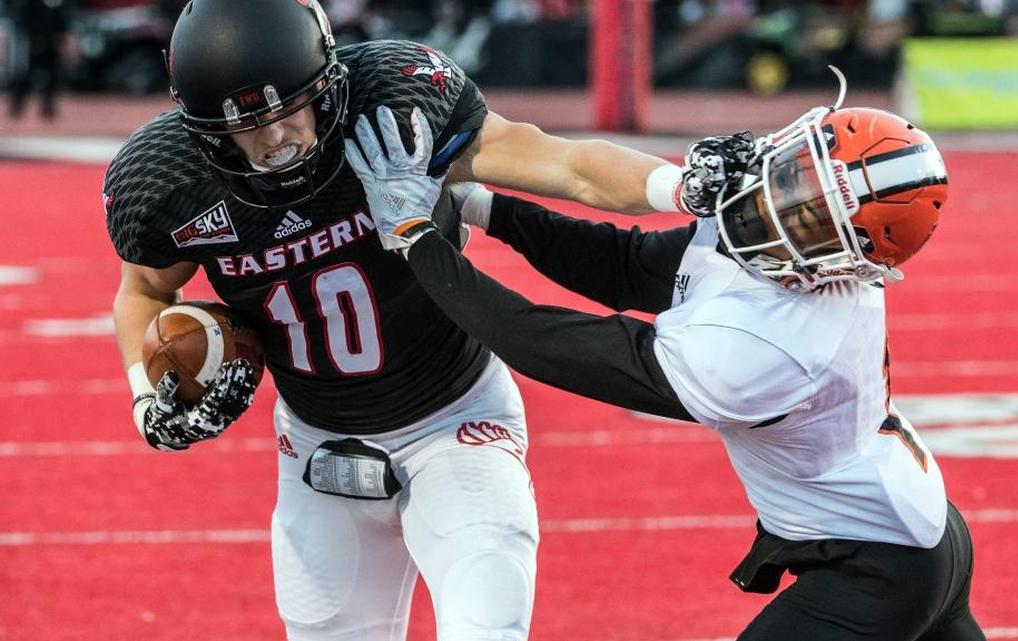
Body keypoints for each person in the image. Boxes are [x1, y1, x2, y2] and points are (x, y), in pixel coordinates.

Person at [102, 1, 721, 640]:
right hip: (319, 445)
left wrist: (681, 187)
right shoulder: (167, 180)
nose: (274, 141)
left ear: (328, 83)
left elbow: (559, 163)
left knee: (487, 629)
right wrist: (147, 399)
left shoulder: (392, 105)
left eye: (289, 109)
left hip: (456, 420)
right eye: (247, 127)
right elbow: (144, 290)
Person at [351, 95, 987, 639]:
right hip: (919, 525)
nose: (783, 204)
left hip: (878, 567)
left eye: (814, 216)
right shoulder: (782, 251)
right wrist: (481, 206)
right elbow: (625, 265)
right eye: (798, 175)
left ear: (846, 262)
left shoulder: (769, 352)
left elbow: (537, 340)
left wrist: (414, 236)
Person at [7, 0, 74, 121]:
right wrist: (34, 37)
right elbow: (25, 20)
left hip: (53, 46)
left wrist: (63, 41)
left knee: (53, 77)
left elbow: (63, 24)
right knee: (27, 76)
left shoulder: (60, 4)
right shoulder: (33, 3)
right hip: (35, 45)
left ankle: (48, 107)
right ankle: (17, 105)